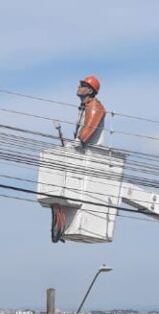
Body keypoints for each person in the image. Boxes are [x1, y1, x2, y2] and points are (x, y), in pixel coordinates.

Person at [51, 75, 108, 242]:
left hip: (90, 155)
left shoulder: (95, 106)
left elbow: (89, 127)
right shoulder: (84, 107)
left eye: (82, 85)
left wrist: (79, 142)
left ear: (90, 90)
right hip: (82, 152)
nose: (78, 87)